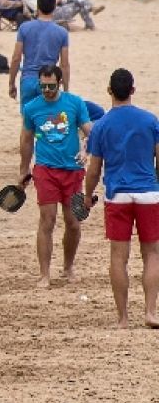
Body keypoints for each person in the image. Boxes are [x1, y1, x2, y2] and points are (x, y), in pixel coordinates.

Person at [82, 69, 159, 329]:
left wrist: (87, 195)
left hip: (118, 195)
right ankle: (150, 312)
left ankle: (123, 317)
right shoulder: (150, 121)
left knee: (119, 255)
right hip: (148, 192)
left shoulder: (102, 125)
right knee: (151, 253)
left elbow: (94, 169)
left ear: (109, 91)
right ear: (133, 91)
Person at [18, 65, 93, 290]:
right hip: (46, 170)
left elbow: (91, 132)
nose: (47, 90)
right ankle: (44, 274)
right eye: (43, 86)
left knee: (73, 223)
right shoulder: (32, 108)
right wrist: (23, 169)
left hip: (73, 171)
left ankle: (68, 266)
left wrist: (85, 149)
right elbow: (26, 140)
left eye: (51, 86)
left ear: (59, 83)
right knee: (47, 221)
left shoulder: (75, 103)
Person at [9, 0, 70, 107]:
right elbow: (64, 64)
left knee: (27, 121)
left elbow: (16, 58)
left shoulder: (24, 28)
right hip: (49, 81)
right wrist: (66, 89)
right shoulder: (62, 32)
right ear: (54, 8)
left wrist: (11, 83)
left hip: (28, 79)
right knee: (47, 119)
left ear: (37, 7)